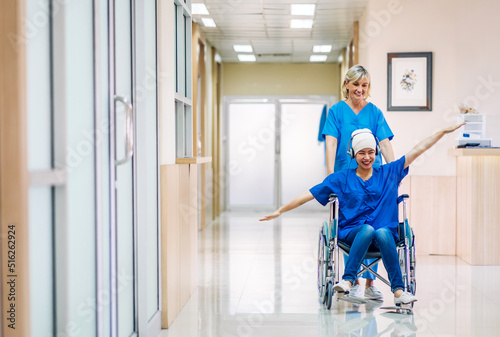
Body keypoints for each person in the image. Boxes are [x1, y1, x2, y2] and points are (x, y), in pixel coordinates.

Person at [260, 123, 465, 305]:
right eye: (361, 153)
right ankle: (348, 280)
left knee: (383, 232)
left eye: (371, 152)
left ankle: (399, 291)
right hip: (352, 233)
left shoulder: (388, 172)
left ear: (376, 152)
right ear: (353, 154)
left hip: (385, 236)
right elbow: (310, 194)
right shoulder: (341, 178)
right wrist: (280, 210)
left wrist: (443, 132)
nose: (367, 157)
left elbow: (418, 149)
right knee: (367, 229)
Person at [322, 65, 395, 300]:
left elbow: (383, 144)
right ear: (346, 85)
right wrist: (331, 174)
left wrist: (393, 171)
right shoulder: (336, 112)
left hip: (371, 176)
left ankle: (370, 282)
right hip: (346, 176)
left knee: (374, 222)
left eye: (364, 86)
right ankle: (351, 279)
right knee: (350, 224)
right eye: (356, 85)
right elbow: (331, 142)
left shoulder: (374, 112)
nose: (360, 90)